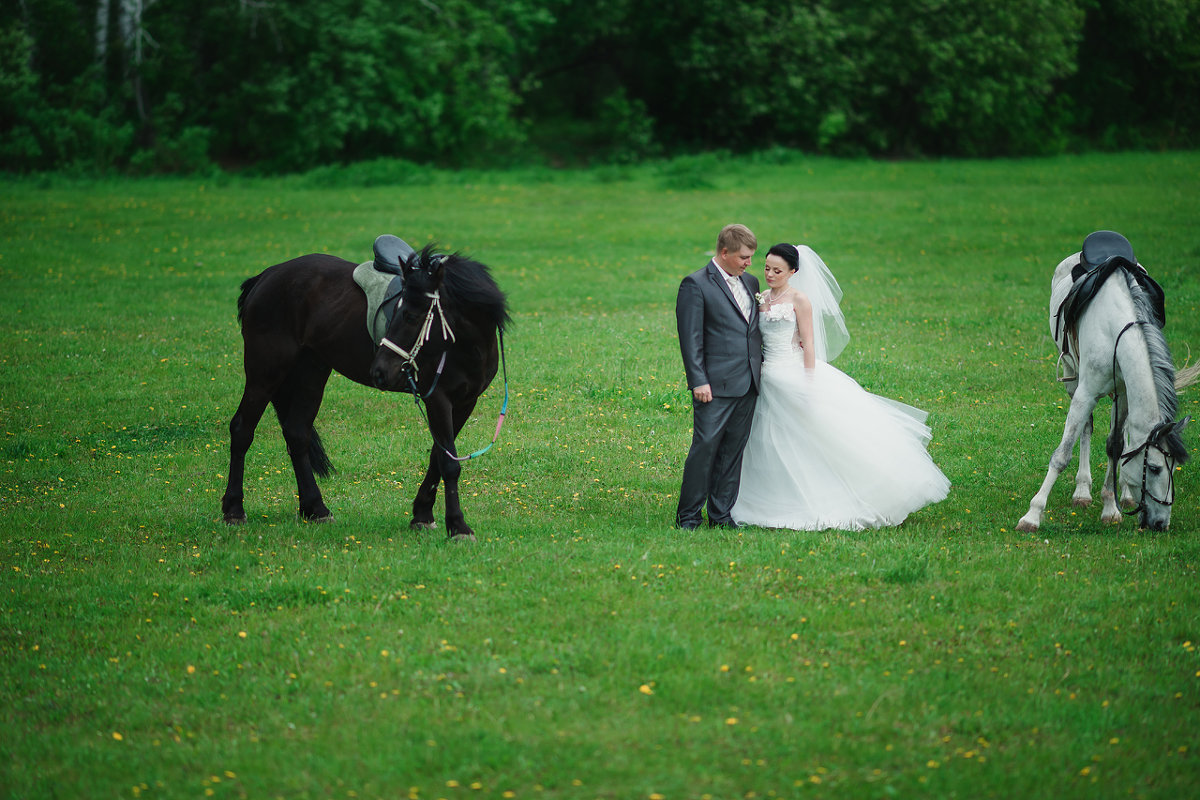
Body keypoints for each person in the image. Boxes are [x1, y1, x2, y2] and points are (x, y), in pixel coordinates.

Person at [731, 243, 949, 530]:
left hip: (791, 373)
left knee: (810, 436)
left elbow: (808, 344)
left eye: (777, 270)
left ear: (793, 272)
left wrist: (808, 384)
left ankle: (832, 496)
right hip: (764, 375)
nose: (770, 274)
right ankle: (764, 496)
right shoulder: (761, 297)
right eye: (767, 268)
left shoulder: (800, 300)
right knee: (765, 438)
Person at [675, 224, 763, 529]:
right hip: (713, 385)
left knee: (732, 452)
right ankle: (688, 517)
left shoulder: (751, 282)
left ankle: (721, 515)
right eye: (743, 257)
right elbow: (691, 338)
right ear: (724, 252)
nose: (749, 263)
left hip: (748, 382)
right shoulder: (696, 284)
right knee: (705, 449)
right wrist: (698, 380)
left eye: (751, 257)